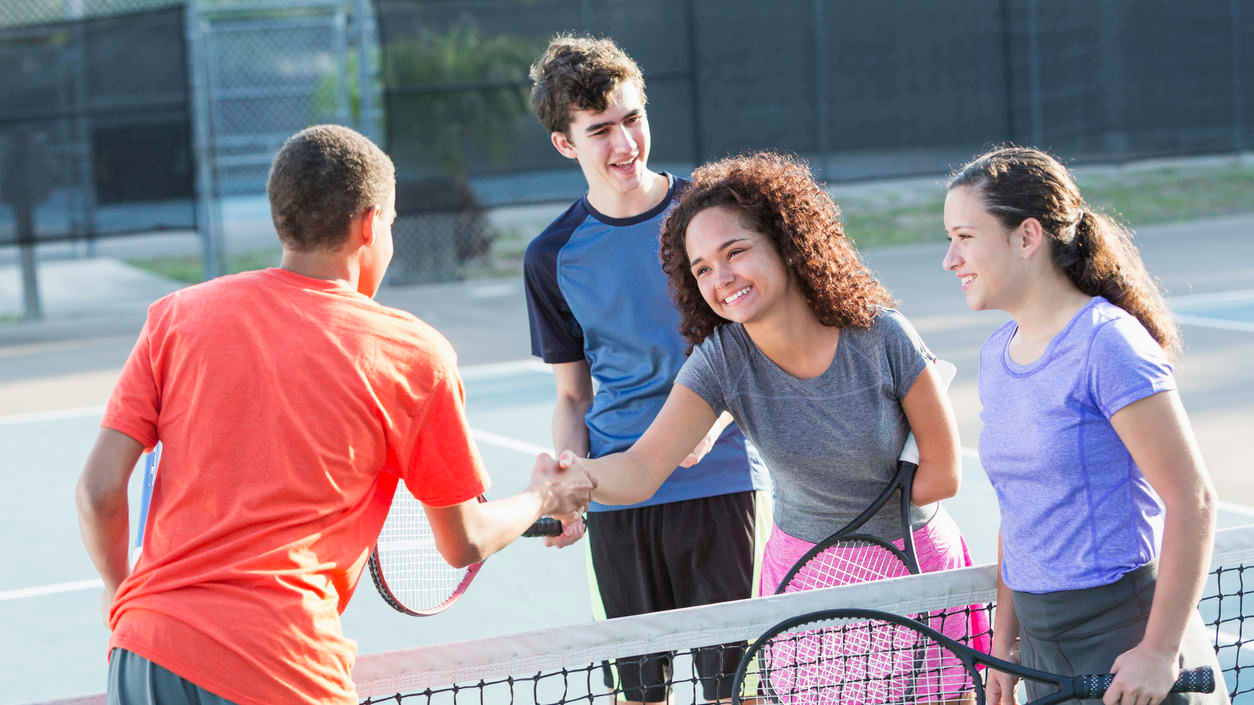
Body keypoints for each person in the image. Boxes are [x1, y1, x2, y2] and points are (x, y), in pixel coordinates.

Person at [75, 124, 596, 705]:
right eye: (392, 225)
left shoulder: (176, 316)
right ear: (370, 224)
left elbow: (99, 490)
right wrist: (545, 498)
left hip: (141, 656)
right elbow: (464, 541)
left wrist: (121, 592)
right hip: (278, 667)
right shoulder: (413, 354)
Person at [558, 151, 989, 702]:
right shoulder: (719, 360)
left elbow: (944, 473)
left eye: (736, 252)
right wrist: (574, 478)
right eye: (703, 268)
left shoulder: (883, 336)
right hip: (807, 585)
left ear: (786, 244)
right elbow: (641, 470)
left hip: (919, 573)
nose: (723, 278)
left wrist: (857, 536)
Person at [523, 35, 771, 705]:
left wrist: (712, 419)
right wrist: (572, 482)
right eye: (600, 129)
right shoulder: (551, 255)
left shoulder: (709, 214)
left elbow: (751, 341)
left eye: (632, 118)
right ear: (565, 143)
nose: (624, 142)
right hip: (620, 497)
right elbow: (573, 397)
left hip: (716, 484)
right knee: (642, 697)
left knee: (732, 692)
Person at [942, 145, 1227, 705]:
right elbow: (1017, 510)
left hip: (1128, 641)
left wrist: (1159, 651)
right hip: (1045, 653)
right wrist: (1007, 643)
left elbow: (1193, 500)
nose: (950, 259)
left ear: (1027, 237)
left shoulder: (1109, 344)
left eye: (965, 237)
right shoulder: (996, 355)